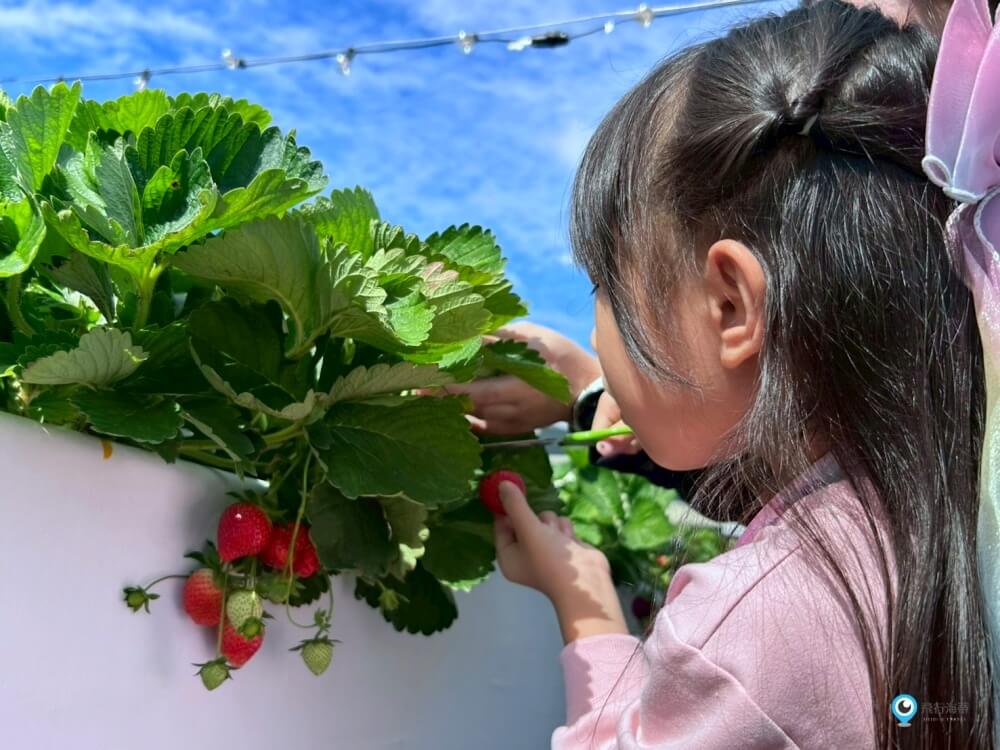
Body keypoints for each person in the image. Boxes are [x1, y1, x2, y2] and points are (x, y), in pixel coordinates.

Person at [491, 0, 995, 747]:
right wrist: (585, 388)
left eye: (602, 285)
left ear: (731, 305)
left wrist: (586, 606)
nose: (596, 324)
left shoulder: (745, 630)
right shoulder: (941, 510)